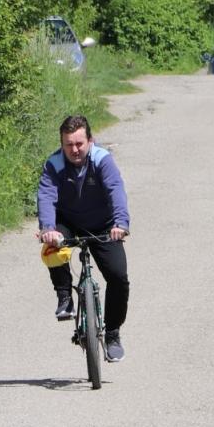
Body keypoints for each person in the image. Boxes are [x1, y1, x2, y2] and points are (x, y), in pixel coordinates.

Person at [37, 115, 131, 361]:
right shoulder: (54, 164)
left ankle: (112, 334)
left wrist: (120, 223)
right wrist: (48, 228)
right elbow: (46, 196)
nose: (75, 150)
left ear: (90, 140)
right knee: (52, 246)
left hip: (103, 225)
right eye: (69, 144)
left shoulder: (102, 160)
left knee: (119, 277)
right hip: (67, 223)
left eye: (79, 143)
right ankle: (64, 296)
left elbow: (115, 189)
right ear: (62, 144)